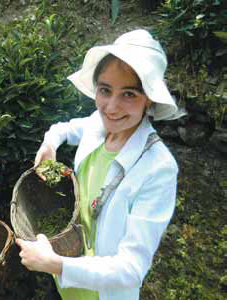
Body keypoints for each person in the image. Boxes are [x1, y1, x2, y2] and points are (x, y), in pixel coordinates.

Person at [15, 29, 181, 300]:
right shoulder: (99, 123)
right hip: (68, 284)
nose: (111, 107)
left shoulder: (158, 168)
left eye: (129, 94)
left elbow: (131, 268)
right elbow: (66, 128)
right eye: (105, 90)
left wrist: (54, 263)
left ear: (148, 98)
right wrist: (50, 143)